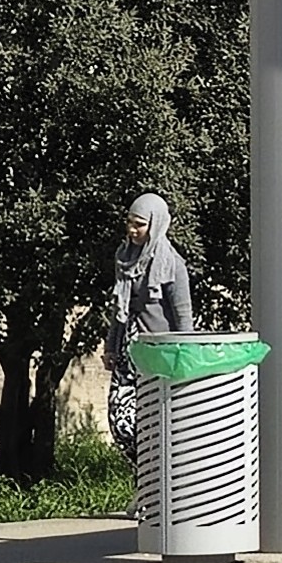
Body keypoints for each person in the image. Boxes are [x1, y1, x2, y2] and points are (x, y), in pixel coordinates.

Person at [106, 191, 198, 474]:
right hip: (128, 355)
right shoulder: (124, 258)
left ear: (156, 224)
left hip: (159, 357)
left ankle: (154, 486)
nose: (132, 230)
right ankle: (144, 476)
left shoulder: (172, 264)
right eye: (130, 223)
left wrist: (184, 359)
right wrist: (111, 346)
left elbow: (183, 316)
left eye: (140, 224)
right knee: (120, 421)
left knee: (158, 423)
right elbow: (119, 309)